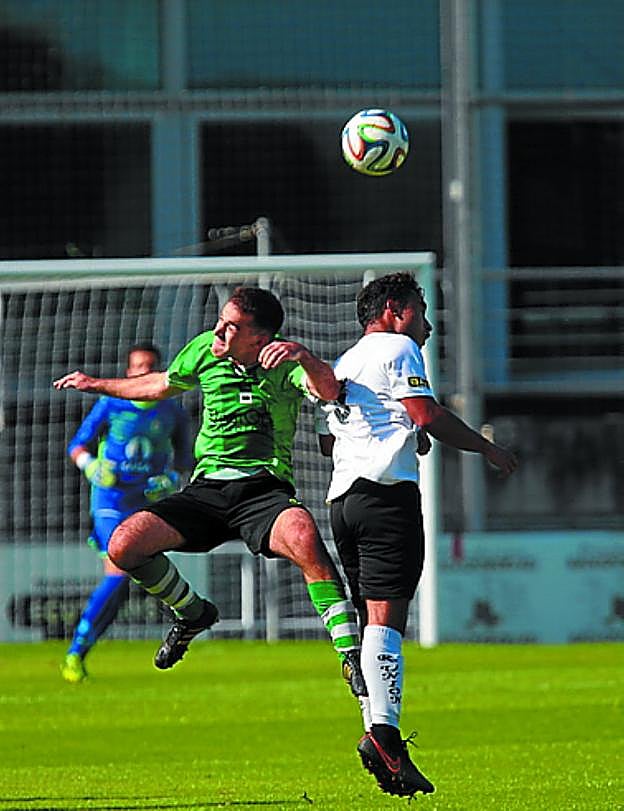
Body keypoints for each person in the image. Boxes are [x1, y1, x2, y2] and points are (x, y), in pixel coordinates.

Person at [54, 286, 365, 700]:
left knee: (305, 537)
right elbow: (159, 385)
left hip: (263, 490)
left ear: (259, 338)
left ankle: (351, 655)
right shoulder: (205, 349)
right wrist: (94, 383)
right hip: (207, 489)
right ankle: (192, 613)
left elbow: (329, 391)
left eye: (231, 326)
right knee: (124, 545)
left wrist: (304, 356)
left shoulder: (286, 362)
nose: (218, 330)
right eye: (220, 320)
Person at [317, 272, 518, 798]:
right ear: (394, 309)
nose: (426, 327)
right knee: (387, 621)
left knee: (371, 621)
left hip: (344, 502)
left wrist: (402, 433)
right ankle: (384, 737)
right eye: (421, 312)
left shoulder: (346, 362)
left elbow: (330, 439)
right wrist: (486, 447)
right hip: (386, 498)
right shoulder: (398, 347)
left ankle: (376, 730)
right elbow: (426, 413)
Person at [60, 343, 193, 683]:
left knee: (122, 584)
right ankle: (74, 652)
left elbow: (185, 458)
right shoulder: (111, 403)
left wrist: (171, 479)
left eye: (150, 366)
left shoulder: (172, 410)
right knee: (119, 571)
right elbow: (77, 445)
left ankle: (79, 652)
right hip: (111, 501)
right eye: (138, 366)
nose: (143, 372)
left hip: (147, 504)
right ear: (128, 371)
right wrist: (91, 466)